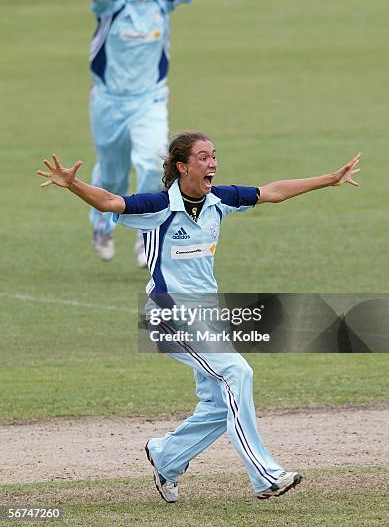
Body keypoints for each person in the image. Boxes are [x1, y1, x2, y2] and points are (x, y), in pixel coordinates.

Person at [36, 132, 361, 501]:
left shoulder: (218, 199)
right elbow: (112, 202)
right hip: (168, 318)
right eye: (204, 157)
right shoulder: (159, 206)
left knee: (219, 404)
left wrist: (329, 179)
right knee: (238, 372)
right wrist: (72, 183)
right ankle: (265, 475)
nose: (213, 164)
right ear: (182, 166)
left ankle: (166, 456)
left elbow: (272, 192)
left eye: (214, 156)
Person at [62, 0, 254, 265]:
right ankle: (101, 225)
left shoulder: (162, 1)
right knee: (113, 173)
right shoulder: (110, 2)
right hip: (108, 102)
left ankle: (146, 232)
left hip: (149, 100)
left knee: (153, 161)